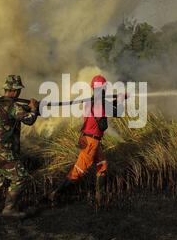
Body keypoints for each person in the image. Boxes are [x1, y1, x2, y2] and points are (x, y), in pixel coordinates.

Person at [49, 75, 126, 206]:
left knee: (102, 165)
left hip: (90, 139)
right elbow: (115, 114)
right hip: (91, 142)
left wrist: (116, 99)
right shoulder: (99, 103)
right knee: (77, 172)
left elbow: (105, 106)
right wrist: (120, 100)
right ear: (103, 88)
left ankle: (99, 196)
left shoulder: (90, 101)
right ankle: (55, 193)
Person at [0, 75, 39, 219]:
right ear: (14, 90)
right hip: (2, 152)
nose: (19, 93)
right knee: (21, 177)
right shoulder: (12, 105)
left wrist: (27, 107)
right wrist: (34, 109)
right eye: (18, 90)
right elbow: (29, 119)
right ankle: (9, 209)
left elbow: (14, 113)